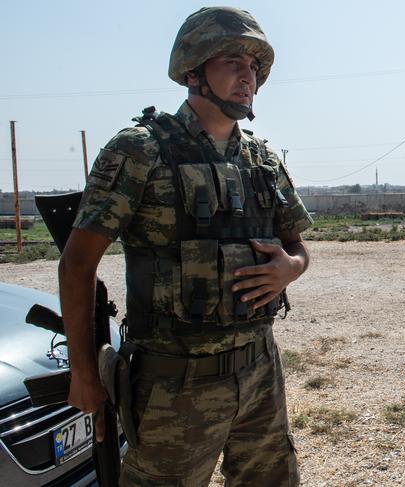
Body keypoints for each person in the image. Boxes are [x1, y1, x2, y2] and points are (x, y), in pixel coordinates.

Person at [58, 7, 311, 486]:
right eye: (232, 61)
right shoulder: (140, 149)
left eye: (254, 67)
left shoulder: (262, 158)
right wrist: (84, 373)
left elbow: (295, 245)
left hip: (260, 371)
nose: (247, 76)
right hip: (174, 384)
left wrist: (290, 268)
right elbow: (76, 264)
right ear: (194, 70)